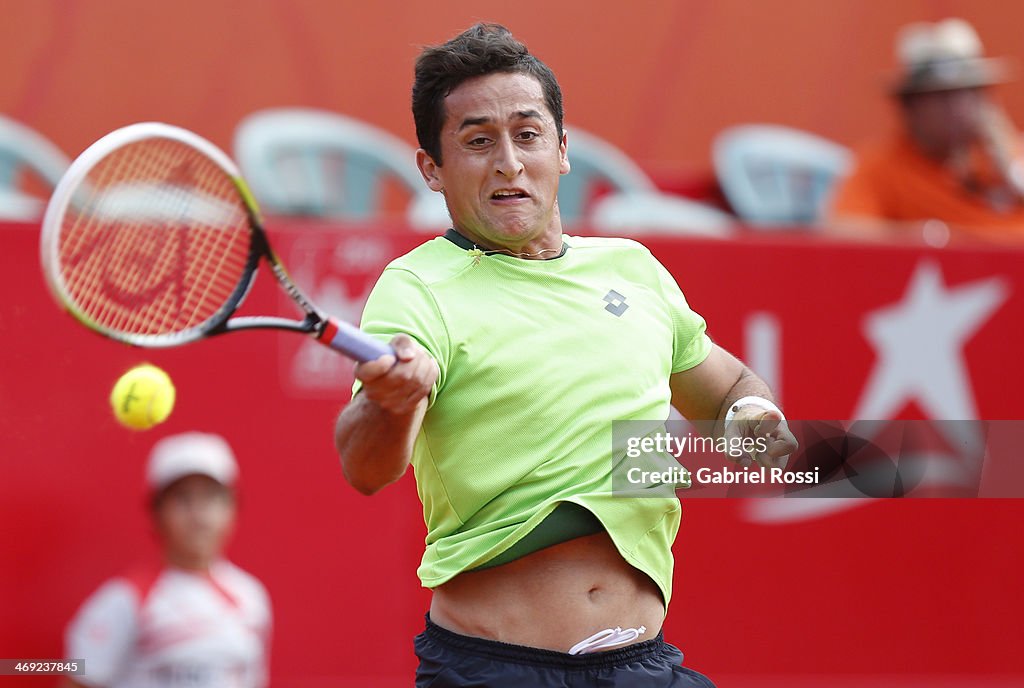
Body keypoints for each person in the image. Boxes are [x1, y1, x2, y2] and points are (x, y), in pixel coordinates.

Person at [334, 23, 797, 687]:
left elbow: (725, 390)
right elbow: (365, 467)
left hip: (643, 664)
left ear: (562, 149)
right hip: (497, 671)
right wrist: (390, 399)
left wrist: (750, 413)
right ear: (431, 168)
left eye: (527, 134)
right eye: (477, 141)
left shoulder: (632, 267)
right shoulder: (417, 288)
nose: (509, 162)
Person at [63, 432, 272, 688]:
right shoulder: (123, 600)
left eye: (211, 497)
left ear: (232, 508)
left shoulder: (251, 597)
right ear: (156, 512)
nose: (199, 514)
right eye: (183, 498)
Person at [830, 18, 1024, 241]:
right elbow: (844, 233)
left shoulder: (1010, 154)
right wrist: (926, 238)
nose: (958, 107)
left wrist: (1013, 173)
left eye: (970, 92)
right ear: (909, 106)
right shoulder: (881, 165)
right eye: (942, 96)